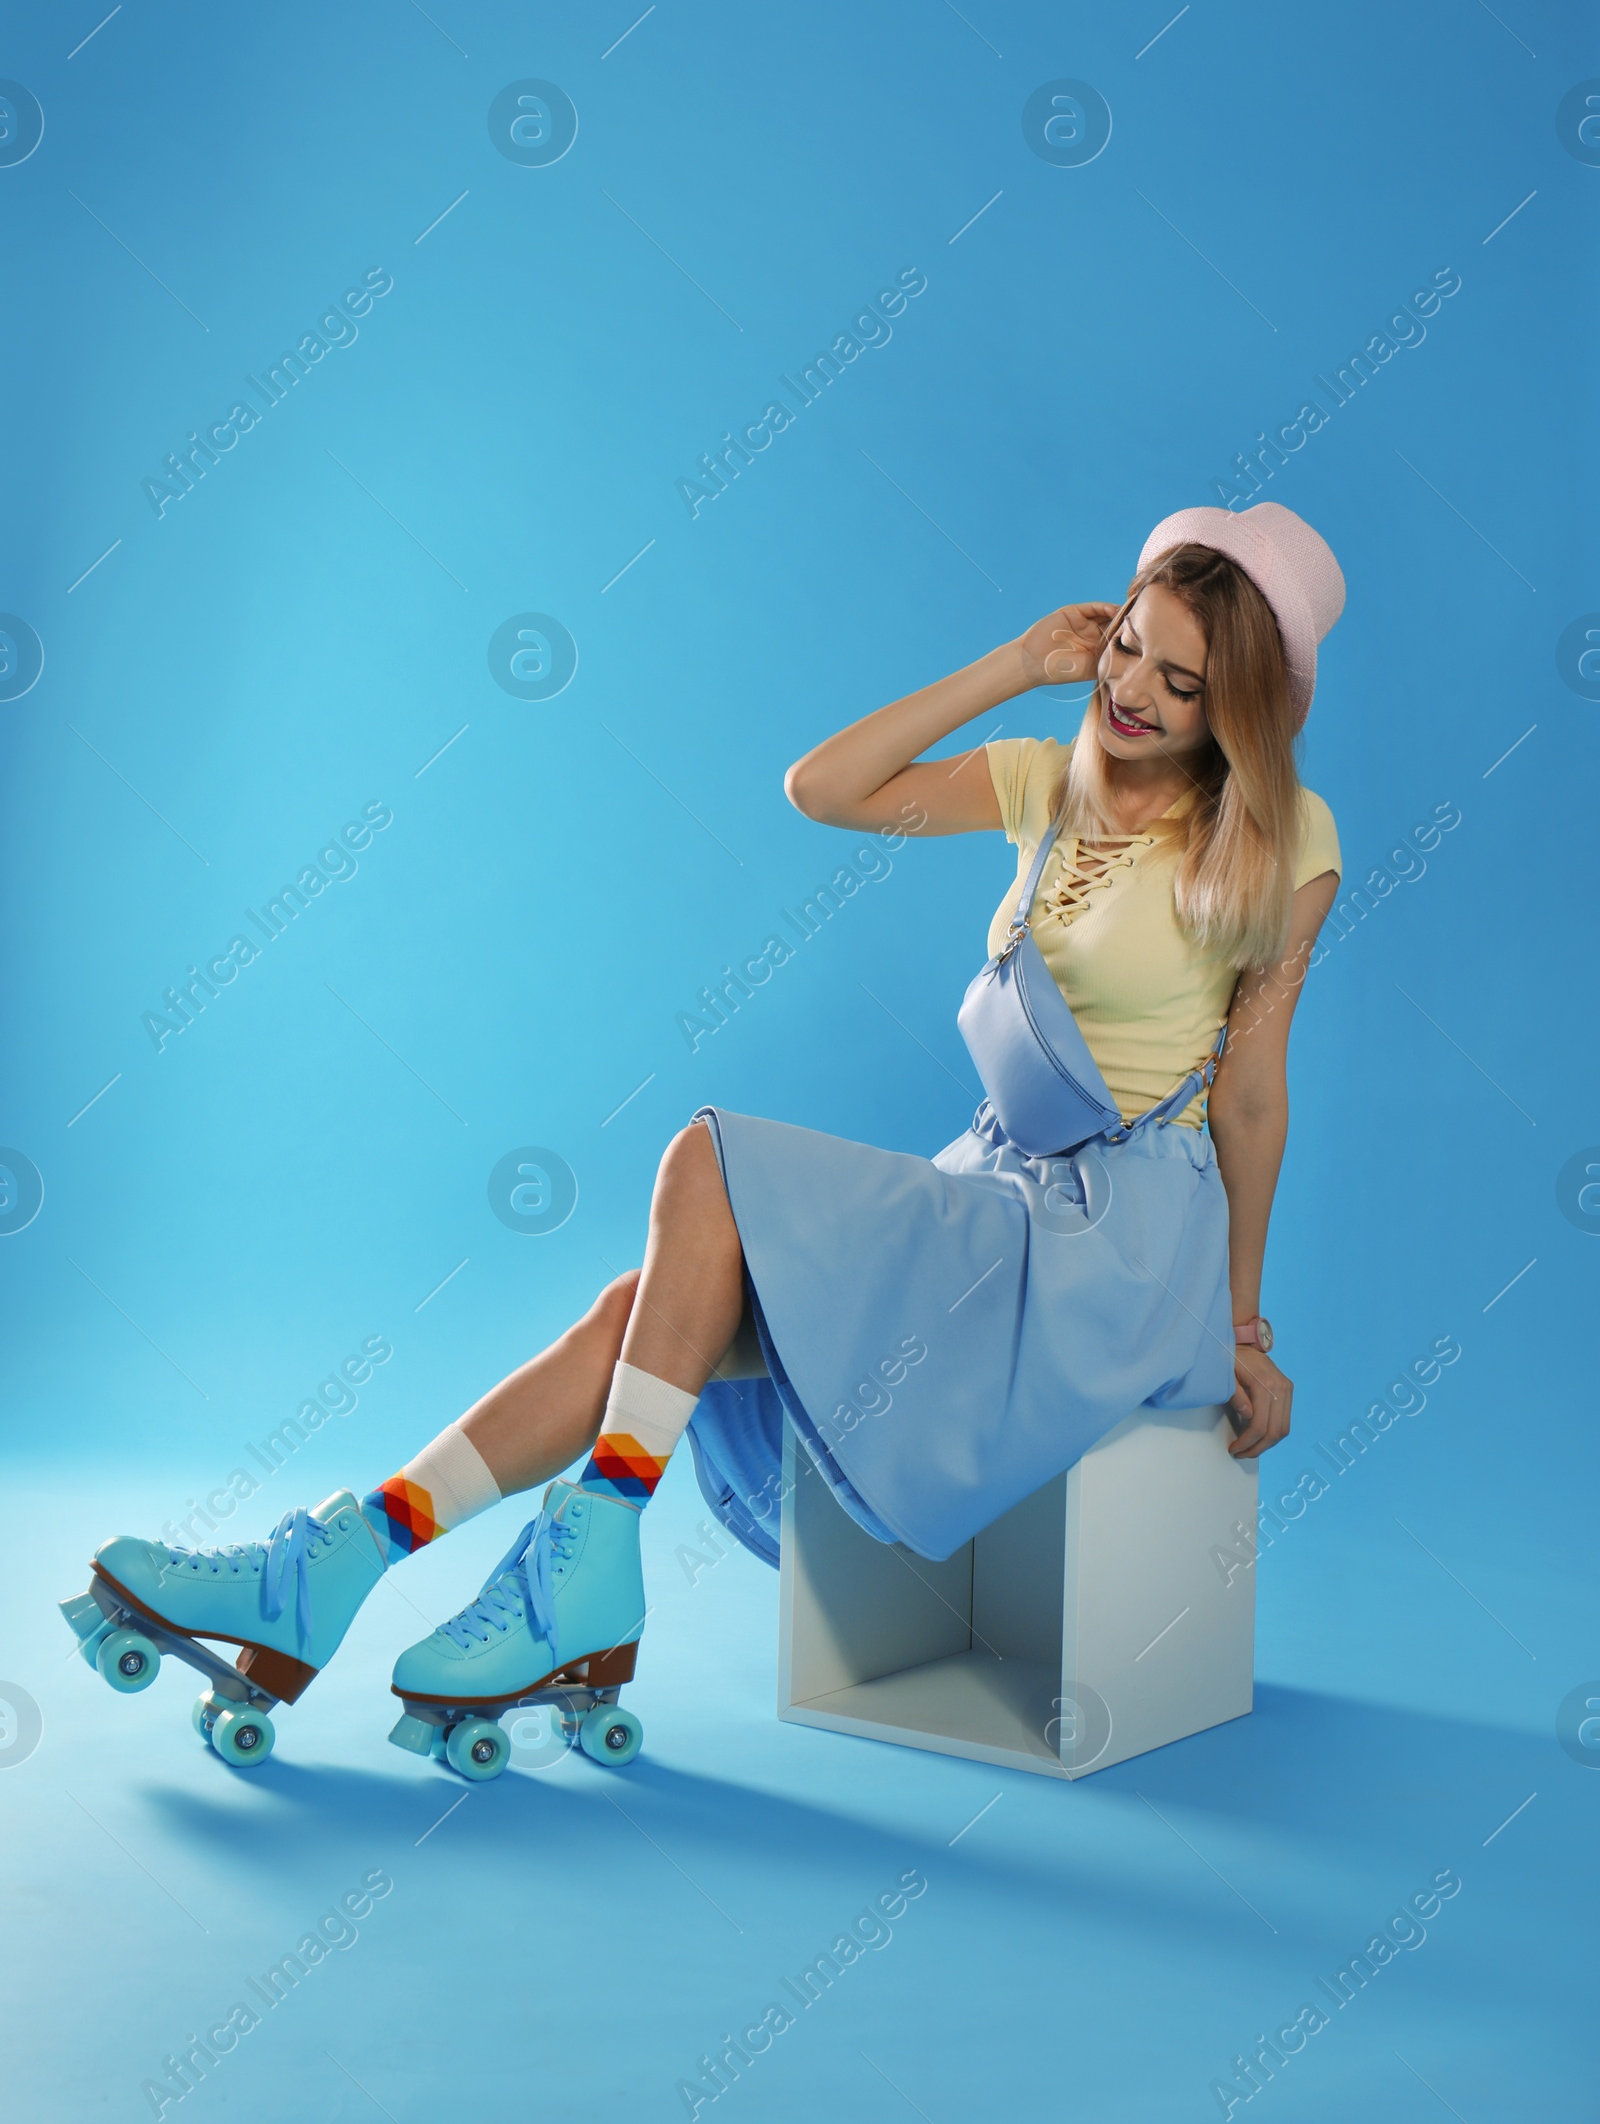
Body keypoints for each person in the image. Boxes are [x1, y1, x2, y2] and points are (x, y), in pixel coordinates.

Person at [78, 501, 1344, 1757]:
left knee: (708, 1158)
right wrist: (1017, 664)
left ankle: (570, 1566)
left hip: (1105, 1243)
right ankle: (341, 1555)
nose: (1133, 692)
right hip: (985, 1194)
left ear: (1228, 709)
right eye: (1127, 645)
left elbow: (1248, 1097)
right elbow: (825, 788)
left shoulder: (1279, 840)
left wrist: (1238, 1327)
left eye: (1180, 685)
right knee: (639, 1308)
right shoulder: (1045, 784)